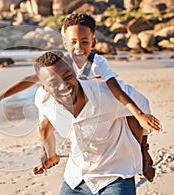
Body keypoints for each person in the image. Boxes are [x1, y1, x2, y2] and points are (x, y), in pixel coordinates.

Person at [0, 12, 161, 180]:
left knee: (134, 115)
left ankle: (143, 151)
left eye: (84, 41)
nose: (78, 47)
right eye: (73, 42)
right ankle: (49, 154)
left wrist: (138, 114)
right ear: (65, 42)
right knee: (43, 127)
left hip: (104, 97)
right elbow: (31, 79)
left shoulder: (96, 62)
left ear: (93, 42)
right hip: (71, 98)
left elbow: (114, 87)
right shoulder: (63, 63)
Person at [33, 51, 157, 194]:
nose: (63, 86)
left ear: (74, 71)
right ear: (44, 87)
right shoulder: (43, 100)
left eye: (67, 76)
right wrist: (49, 154)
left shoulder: (106, 95)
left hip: (115, 175)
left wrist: (143, 151)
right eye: (54, 83)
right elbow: (43, 127)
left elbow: (142, 105)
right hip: (76, 176)